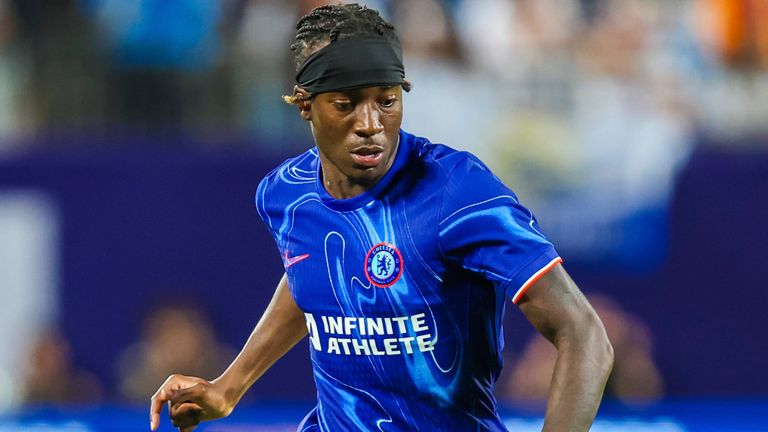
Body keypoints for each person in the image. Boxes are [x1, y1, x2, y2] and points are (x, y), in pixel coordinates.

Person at [150, 4, 613, 431]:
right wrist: (228, 387)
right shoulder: (284, 194)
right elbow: (310, 273)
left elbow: (585, 333)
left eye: (386, 100)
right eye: (346, 103)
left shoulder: (456, 192)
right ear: (305, 104)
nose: (370, 122)